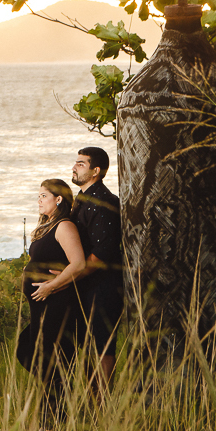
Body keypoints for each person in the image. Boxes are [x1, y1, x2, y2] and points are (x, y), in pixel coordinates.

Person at [16, 178, 86, 428]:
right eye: (38, 196)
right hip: (40, 306)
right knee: (28, 351)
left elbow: (78, 263)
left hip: (55, 304)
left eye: (44, 196)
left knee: (52, 361)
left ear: (58, 199)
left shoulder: (64, 226)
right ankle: (57, 413)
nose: (39, 200)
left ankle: (53, 425)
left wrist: (51, 286)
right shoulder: (47, 226)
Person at [70, 146, 123, 395]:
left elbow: (101, 253)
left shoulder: (104, 202)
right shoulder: (81, 199)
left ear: (96, 171)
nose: (74, 167)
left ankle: (102, 403)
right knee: (83, 343)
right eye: (76, 162)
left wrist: (68, 277)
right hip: (83, 284)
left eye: (81, 164)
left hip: (103, 286)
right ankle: (91, 400)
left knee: (103, 345)